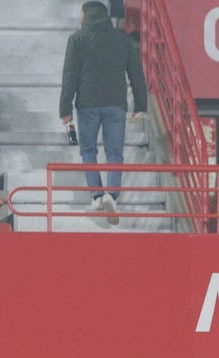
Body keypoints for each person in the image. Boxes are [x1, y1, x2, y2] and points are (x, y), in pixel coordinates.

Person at [59, 0, 144, 223]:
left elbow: (70, 77)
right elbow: (136, 74)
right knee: (114, 152)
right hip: (116, 104)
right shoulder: (122, 39)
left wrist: (65, 109)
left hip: (87, 104)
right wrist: (141, 106)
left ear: (85, 15)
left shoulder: (76, 40)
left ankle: (96, 195)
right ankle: (112, 195)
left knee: (88, 151)